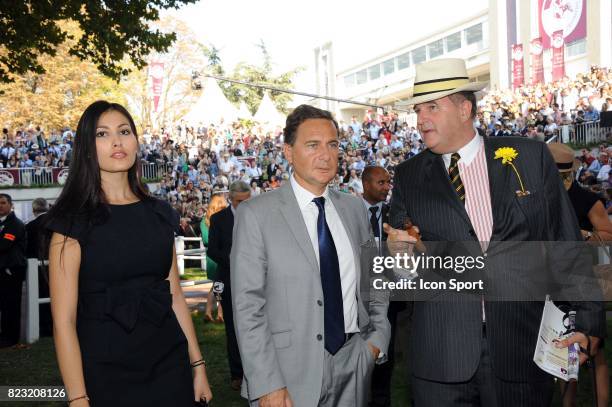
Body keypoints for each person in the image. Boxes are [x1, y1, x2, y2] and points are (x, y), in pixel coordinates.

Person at [385, 58, 605, 406]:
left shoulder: (528, 157)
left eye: (431, 107)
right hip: (441, 358)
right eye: (417, 110)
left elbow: (564, 243)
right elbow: (403, 272)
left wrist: (587, 320)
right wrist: (398, 256)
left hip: (521, 347)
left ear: (464, 109)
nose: (420, 120)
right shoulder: (409, 176)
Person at [45, 101, 212, 406]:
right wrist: (78, 397)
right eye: (102, 134)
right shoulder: (71, 225)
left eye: (124, 131)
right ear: (86, 147)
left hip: (168, 365)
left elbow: (174, 295)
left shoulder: (160, 214)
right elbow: (64, 321)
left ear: (136, 141)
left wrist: (197, 366)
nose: (117, 141)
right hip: (104, 372)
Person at [231, 104, 391, 407]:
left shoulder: (354, 209)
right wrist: (267, 384)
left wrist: (375, 342)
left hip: (353, 364)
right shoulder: (256, 214)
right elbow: (247, 306)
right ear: (289, 152)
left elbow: (375, 281)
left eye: (332, 145)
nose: (326, 155)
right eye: (313, 145)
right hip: (286, 377)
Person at [547, 143, 610, 407]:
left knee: (594, 351)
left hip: (584, 282)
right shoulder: (540, 196)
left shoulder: (585, 198)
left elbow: (608, 235)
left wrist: (582, 236)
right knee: (565, 349)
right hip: (552, 281)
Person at [361, 166, 406, 407]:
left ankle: (381, 401)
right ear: (365, 184)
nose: (387, 187)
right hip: (358, 299)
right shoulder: (350, 213)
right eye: (381, 183)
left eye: (388, 182)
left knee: (384, 357)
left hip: (389, 298)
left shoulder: (396, 216)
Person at [207, 180, 251, 391]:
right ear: (230, 199)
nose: (244, 205)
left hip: (255, 281)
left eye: (247, 201)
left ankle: (256, 370)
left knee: (255, 326)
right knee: (233, 329)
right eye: (240, 201)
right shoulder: (218, 219)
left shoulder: (256, 216)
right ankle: (237, 374)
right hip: (229, 281)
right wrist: (235, 260)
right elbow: (212, 250)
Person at [0, 193, 27, 348]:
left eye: (3, 202)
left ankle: (11, 338)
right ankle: (4, 335)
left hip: (12, 270)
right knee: (4, 304)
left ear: (10, 205)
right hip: (2, 270)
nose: (0, 206)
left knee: (12, 305)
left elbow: (4, 244)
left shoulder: (15, 224)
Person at [26, 197, 53, 336]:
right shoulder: (58, 221)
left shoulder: (30, 226)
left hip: (37, 267)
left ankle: (45, 328)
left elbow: (28, 249)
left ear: (34, 209)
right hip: (57, 264)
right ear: (47, 206)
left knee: (42, 293)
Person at [200, 194, 228, 323]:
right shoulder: (221, 219)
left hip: (212, 257)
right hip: (219, 257)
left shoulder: (204, 221)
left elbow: (206, 240)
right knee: (220, 285)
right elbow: (208, 240)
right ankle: (220, 314)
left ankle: (208, 312)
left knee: (216, 286)